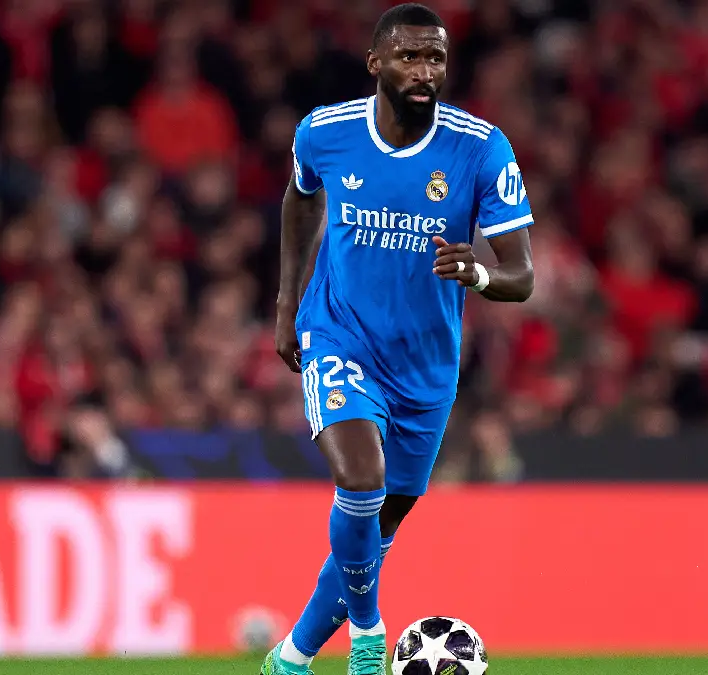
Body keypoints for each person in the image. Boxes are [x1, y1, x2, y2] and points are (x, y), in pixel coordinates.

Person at [265, 4, 534, 674]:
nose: (424, 71)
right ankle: (367, 634)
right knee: (361, 479)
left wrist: (476, 270)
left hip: (426, 370)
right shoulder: (325, 133)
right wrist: (285, 302)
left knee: (375, 533)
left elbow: (521, 275)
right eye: (410, 56)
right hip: (340, 336)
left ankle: (291, 656)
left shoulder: (480, 148)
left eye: (435, 58)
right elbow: (300, 198)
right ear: (376, 63)